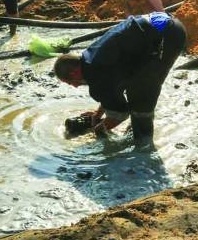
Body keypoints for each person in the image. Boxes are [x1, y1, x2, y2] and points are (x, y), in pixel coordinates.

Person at [53, 12, 187, 142]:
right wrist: (98, 114)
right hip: (160, 21)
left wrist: (99, 129)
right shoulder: (90, 58)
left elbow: (120, 113)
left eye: (70, 83)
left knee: (142, 94)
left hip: (167, 35)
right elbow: (111, 90)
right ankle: (138, 130)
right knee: (135, 84)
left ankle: (143, 149)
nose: (75, 86)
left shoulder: (95, 75)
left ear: (74, 73)